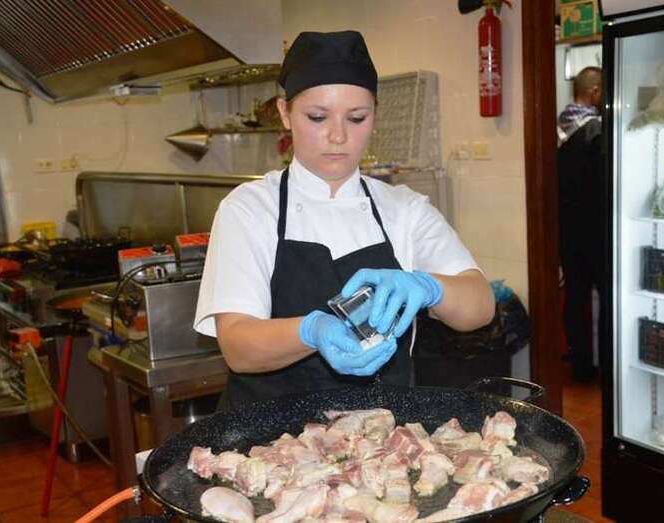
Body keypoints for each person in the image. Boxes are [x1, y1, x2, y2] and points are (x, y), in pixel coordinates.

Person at [194, 30, 495, 409]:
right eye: (317, 117)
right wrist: (312, 331)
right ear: (285, 113)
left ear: (375, 116)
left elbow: (480, 307)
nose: (337, 136)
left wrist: (428, 287)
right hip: (271, 444)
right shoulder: (250, 209)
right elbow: (238, 345)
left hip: (384, 443)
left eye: (356, 118)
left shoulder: (404, 209)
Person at [557, 66, 605, 382]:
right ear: (596, 92)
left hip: (565, 228)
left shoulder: (559, 123)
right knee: (608, 296)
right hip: (598, 228)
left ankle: (580, 366)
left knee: (575, 296)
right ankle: (609, 368)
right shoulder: (597, 130)